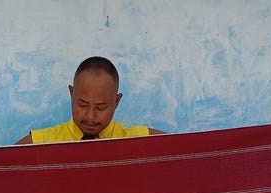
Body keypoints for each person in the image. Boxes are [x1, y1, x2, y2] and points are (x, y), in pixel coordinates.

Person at [16, 56, 164, 144]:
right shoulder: (44, 142)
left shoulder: (133, 140)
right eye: (82, 104)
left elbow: (180, 148)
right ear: (71, 93)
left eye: (101, 107)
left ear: (117, 102)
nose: (90, 116)